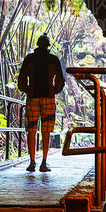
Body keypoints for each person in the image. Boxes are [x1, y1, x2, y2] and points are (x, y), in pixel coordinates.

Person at [17, 34, 65, 172]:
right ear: (48, 45)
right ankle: (44, 162)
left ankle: (32, 162)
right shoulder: (53, 59)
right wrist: (53, 90)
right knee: (46, 130)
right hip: (48, 98)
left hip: (32, 98)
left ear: (37, 44)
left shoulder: (30, 58)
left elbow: (21, 79)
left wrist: (27, 90)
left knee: (31, 130)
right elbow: (60, 80)